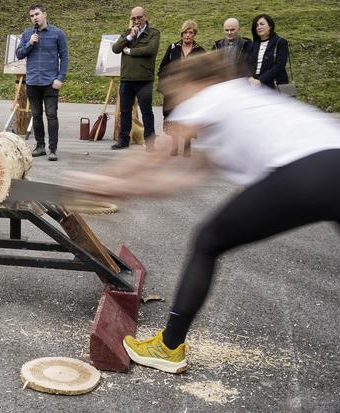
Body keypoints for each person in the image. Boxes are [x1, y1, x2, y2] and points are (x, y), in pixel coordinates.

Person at [65, 51, 340, 374]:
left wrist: (101, 179)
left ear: (196, 82)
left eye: (176, 91)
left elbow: (157, 154)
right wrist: (124, 190)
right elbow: (185, 178)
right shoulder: (244, 103)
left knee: (208, 241)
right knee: (211, 238)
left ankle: (169, 347)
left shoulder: (213, 93)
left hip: (307, 169)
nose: (176, 102)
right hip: (329, 162)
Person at [15, 4, 68, 162]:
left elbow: (64, 57)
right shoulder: (27, 34)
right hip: (32, 81)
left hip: (50, 82)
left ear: (44, 14)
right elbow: (19, 54)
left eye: (37, 14)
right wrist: (30, 43)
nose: (34, 18)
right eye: (31, 16)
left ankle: (53, 149)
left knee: (52, 115)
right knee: (36, 116)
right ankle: (40, 146)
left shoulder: (57, 33)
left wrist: (60, 78)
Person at [111, 6, 160, 151]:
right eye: (134, 18)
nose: (136, 21)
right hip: (127, 79)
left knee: (146, 111)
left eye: (139, 17)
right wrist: (129, 37)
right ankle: (124, 140)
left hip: (144, 79)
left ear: (146, 17)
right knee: (125, 111)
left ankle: (150, 142)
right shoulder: (127, 33)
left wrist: (131, 51)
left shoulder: (153, 33)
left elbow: (151, 50)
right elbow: (115, 49)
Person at [158, 20, 205, 155]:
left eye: (191, 32)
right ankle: (174, 144)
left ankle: (186, 144)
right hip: (174, 90)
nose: (188, 35)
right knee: (174, 116)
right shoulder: (173, 48)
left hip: (190, 91)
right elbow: (163, 68)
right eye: (185, 32)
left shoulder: (200, 51)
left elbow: (204, 71)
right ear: (182, 33)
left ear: (194, 34)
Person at [247, 14, 289, 89]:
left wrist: (261, 80)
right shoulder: (252, 45)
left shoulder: (280, 42)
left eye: (262, 24)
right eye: (256, 25)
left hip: (273, 85)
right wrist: (250, 77)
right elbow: (246, 63)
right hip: (253, 85)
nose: (259, 27)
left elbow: (280, 65)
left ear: (270, 26)